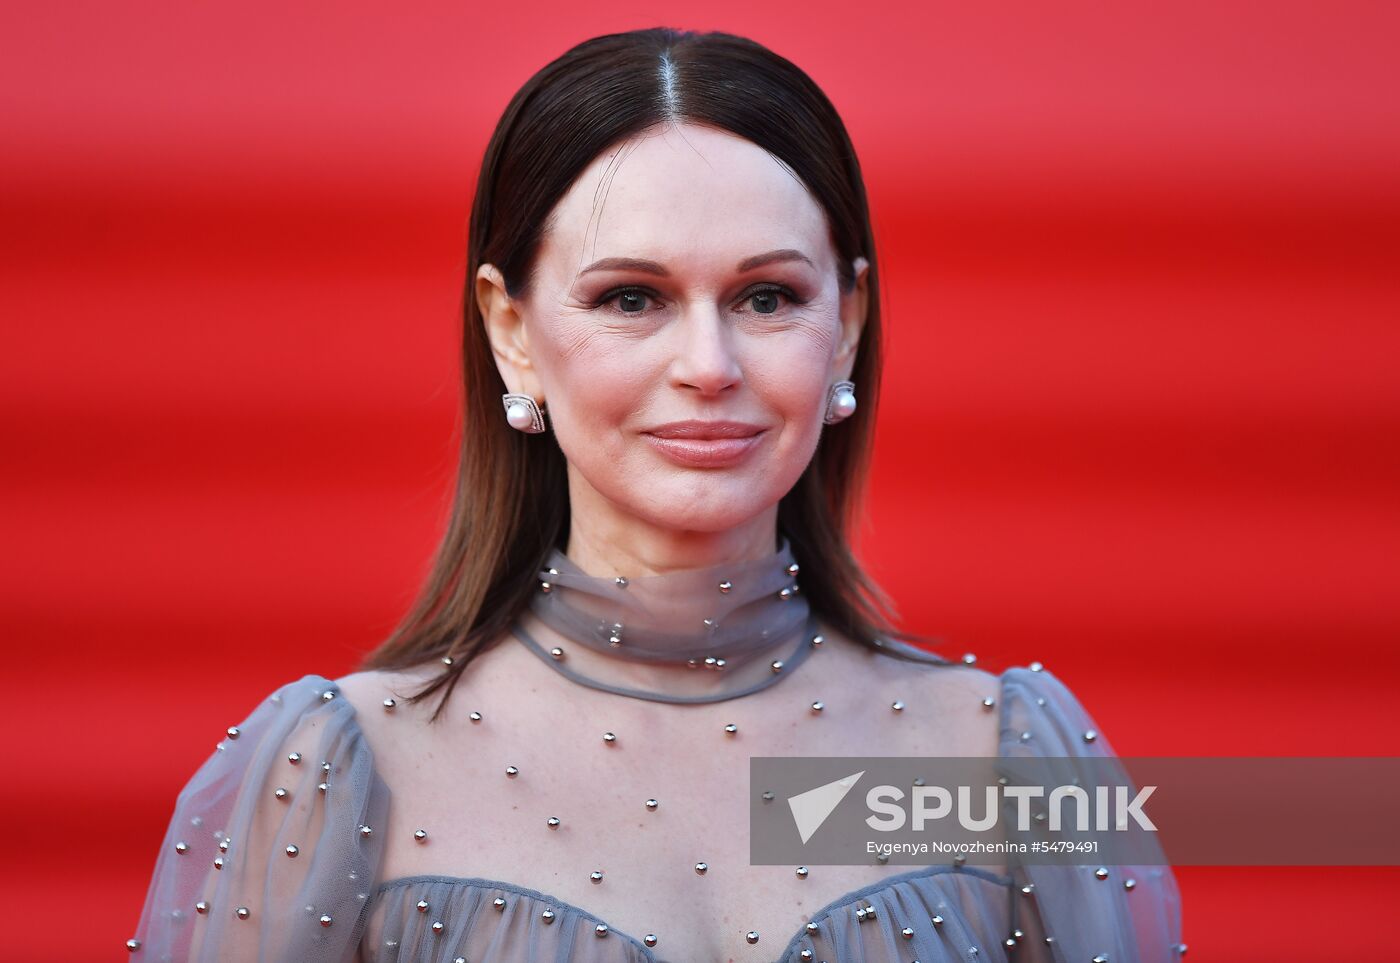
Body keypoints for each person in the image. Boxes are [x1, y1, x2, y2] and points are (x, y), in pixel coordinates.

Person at [128, 26, 1183, 963]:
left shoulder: (1003, 760)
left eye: (767, 296)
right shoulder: (343, 769)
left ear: (847, 323)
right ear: (510, 331)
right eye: (629, 298)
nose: (708, 364)